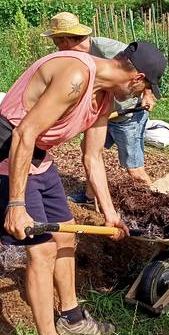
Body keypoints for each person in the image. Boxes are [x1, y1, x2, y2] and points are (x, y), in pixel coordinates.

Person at [0, 41, 167, 335]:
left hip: (37, 158)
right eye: (144, 87)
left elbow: (93, 158)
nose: (140, 95)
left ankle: (72, 318)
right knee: (43, 250)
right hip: (5, 156)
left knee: (66, 236)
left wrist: (110, 213)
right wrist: (17, 204)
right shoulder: (76, 75)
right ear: (136, 77)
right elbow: (23, 133)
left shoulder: (104, 99)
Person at [39, 12, 157, 207]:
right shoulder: (74, 57)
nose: (56, 48)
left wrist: (147, 94)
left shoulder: (107, 48)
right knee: (88, 150)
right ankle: (90, 195)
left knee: (133, 169)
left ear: (67, 39)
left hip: (125, 117)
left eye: (57, 42)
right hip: (103, 114)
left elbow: (144, 70)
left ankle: (157, 202)